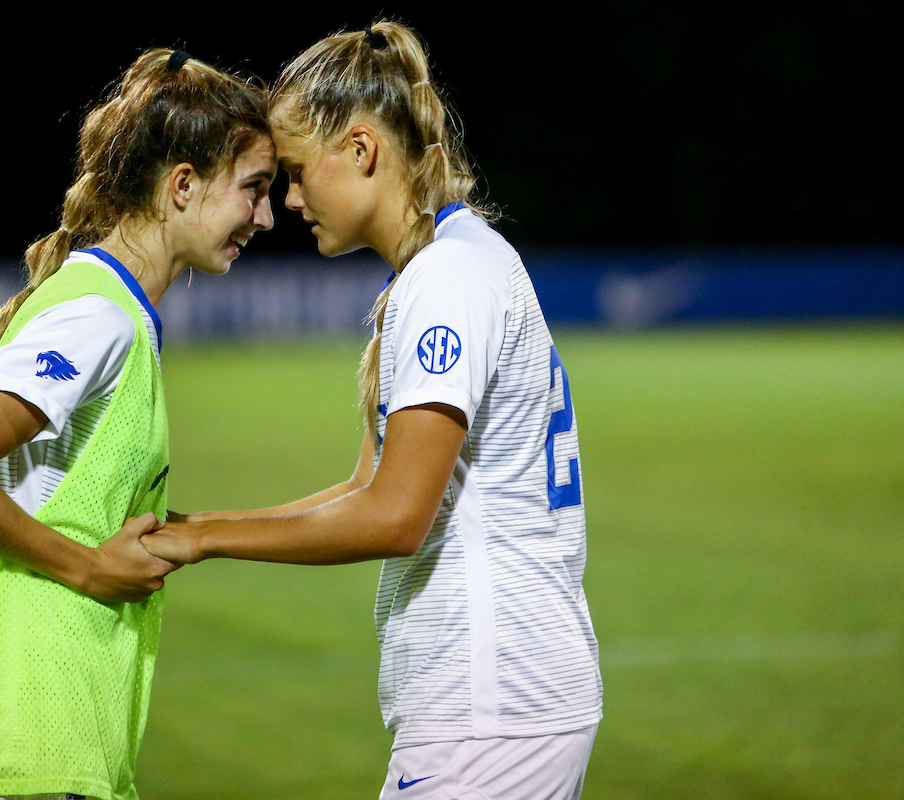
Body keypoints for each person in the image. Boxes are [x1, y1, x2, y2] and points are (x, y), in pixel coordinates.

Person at [142, 22, 602, 800]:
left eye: (293, 173)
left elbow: (394, 517)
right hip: (504, 704)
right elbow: (369, 488)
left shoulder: (449, 281)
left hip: (490, 707)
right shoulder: (452, 263)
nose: (286, 202)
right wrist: (195, 527)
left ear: (360, 151)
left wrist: (207, 541)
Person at [0, 48, 275, 800]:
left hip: (30, 725)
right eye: (253, 189)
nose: (267, 215)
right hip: (24, 725)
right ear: (183, 186)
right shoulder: (98, 317)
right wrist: (89, 566)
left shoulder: (113, 307)